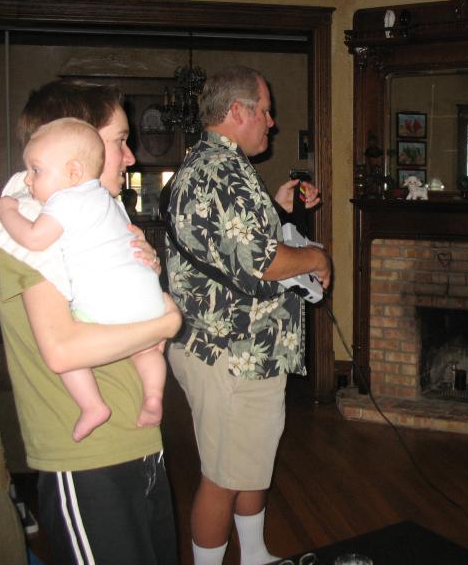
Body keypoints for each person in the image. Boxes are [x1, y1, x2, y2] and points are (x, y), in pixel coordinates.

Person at [0, 80, 181, 565]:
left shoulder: (99, 223)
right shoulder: (28, 234)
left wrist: (150, 273)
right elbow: (63, 349)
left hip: (138, 440)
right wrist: (165, 323)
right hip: (89, 460)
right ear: (74, 147)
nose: (130, 156)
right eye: (119, 141)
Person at [166, 65, 331, 565]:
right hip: (229, 352)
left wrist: (275, 209)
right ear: (238, 111)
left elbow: (232, 245)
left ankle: (255, 555)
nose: (272, 122)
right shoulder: (222, 171)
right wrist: (316, 258)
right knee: (222, 477)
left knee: (250, 464)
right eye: (265, 111)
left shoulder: (217, 166)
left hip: (247, 351)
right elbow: (263, 262)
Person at [0, 117, 167, 442]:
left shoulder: (65, 199)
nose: (28, 180)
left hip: (107, 308)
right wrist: (166, 320)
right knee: (147, 353)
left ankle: (91, 405)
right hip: (149, 302)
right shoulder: (110, 202)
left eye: (36, 170)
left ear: (73, 171)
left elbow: (34, 239)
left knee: (72, 357)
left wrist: (5, 213)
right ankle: (154, 396)